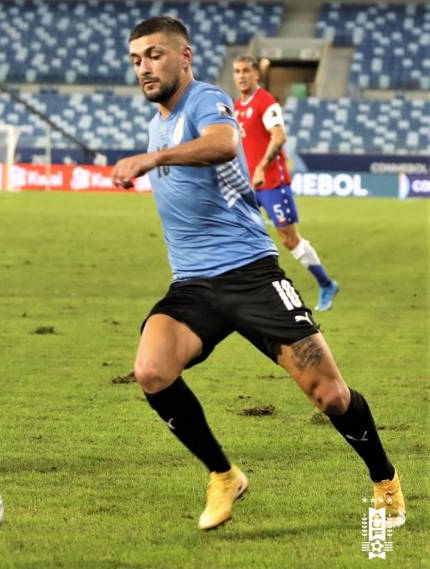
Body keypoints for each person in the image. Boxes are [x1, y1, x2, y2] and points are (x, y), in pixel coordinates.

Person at [112, 16, 404, 530]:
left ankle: (385, 479)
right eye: (136, 59)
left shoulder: (204, 100)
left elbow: (225, 144)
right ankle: (224, 476)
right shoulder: (157, 120)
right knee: (152, 371)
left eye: (155, 55)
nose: (144, 67)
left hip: (251, 274)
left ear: (185, 56)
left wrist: (151, 159)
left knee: (330, 395)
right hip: (193, 286)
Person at [233, 56, 339, 311]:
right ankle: (249, 293)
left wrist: (260, 166)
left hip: (272, 182)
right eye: (237, 71)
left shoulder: (265, 101)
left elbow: (279, 136)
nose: (241, 76)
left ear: (257, 75)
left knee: (289, 239)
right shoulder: (236, 106)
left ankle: (326, 284)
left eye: (246, 71)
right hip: (248, 184)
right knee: (239, 235)